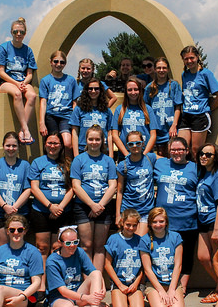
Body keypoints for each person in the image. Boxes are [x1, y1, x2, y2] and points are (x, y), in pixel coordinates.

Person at [28, 132, 75, 297]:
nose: (52, 146)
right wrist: (50, 206)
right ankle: (41, 286)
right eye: (49, 143)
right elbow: (34, 187)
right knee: (42, 248)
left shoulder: (68, 163)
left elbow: (72, 188)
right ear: (45, 144)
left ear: (61, 146)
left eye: (56, 143)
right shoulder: (37, 162)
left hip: (63, 212)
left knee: (57, 248)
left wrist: (59, 207)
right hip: (41, 211)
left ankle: (55, 285)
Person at [153, 137, 198, 292]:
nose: (177, 152)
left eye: (180, 149)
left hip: (187, 219)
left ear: (187, 151)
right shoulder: (160, 163)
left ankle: (182, 286)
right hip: (163, 221)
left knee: (186, 255)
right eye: (173, 149)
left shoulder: (195, 168)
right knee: (164, 253)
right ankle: (163, 283)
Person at [70, 125, 117, 269]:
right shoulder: (79, 160)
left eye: (97, 139)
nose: (94, 142)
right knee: (86, 245)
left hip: (104, 206)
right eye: (91, 139)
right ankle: (88, 278)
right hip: (83, 206)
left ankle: (97, 279)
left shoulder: (108, 160)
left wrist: (99, 206)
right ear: (86, 140)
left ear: (102, 141)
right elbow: (76, 186)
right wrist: (92, 205)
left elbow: (113, 185)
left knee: (99, 246)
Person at [46, 226, 106, 307]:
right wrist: (87, 298)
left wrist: (103, 288)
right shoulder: (52, 262)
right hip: (60, 297)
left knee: (96, 273)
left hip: (78, 292)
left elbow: (95, 273)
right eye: (68, 243)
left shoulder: (79, 252)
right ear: (60, 243)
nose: (72, 245)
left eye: (75, 242)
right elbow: (63, 291)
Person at [177, 45, 218, 161]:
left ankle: (199, 171)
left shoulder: (205, 74)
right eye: (186, 59)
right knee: (181, 147)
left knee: (196, 151)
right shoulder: (185, 75)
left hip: (200, 116)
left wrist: (208, 108)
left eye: (192, 58)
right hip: (186, 115)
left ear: (197, 57)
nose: (189, 61)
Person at [0, 17, 37, 144]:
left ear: (25, 33)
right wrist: (16, 84)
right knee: (17, 94)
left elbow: (30, 74)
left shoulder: (28, 50)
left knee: (32, 95)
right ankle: (26, 130)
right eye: (15, 32)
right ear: (11, 32)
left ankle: (22, 130)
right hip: (6, 82)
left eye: (21, 32)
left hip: (23, 81)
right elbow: (1, 72)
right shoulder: (4, 48)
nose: (18, 34)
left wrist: (23, 83)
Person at [195, 143, 218, 303]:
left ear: (215, 158)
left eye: (209, 154)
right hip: (202, 219)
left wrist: (216, 229)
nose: (204, 156)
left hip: (215, 220)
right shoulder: (203, 173)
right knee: (203, 256)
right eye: (202, 153)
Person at [138, 207, 184, 307]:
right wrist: (161, 291)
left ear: (166, 222)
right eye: (154, 222)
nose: (158, 225)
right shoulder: (144, 240)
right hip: (154, 284)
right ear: (149, 223)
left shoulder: (175, 237)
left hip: (172, 282)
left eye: (161, 221)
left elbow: (178, 266)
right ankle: (153, 300)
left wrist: (172, 289)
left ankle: (167, 302)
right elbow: (147, 269)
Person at [0, 132, 31, 246]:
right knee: (3, 245)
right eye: (8, 145)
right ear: (3, 146)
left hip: (20, 212)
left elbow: (28, 189)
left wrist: (14, 208)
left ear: (19, 147)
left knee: (18, 244)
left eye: (14, 146)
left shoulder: (25, 165)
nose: (11, 148)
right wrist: (5, 207)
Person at [104, 209, 144, 307]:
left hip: (134, 283)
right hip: (119, 282)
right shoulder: (113, 239)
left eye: (134, 225)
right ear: (122, 222)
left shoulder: (140, 240)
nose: (131, 228)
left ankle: (132, 300)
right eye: (128, 225)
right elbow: (107, 264)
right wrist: (120, 285)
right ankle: (122, 299)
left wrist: (136, 283)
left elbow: (143, 267)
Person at [115, 130, 156, 236]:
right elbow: (119, 191)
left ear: (143, 144)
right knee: (129, 240)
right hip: (129, 208)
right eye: (131, 144)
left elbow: (167, 161)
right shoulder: (123, 165)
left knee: (140, 239)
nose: (135, 146)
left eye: (138, 143)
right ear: (127, 146)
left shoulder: (150, 158)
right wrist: (118, 215)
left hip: (146, 209)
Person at [39, 50, 78, 156]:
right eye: (56, 61)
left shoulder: (71, 80)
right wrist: (42, 123)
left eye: (62, 62)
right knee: (53, 144)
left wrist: (75, 120)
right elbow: (43, 102)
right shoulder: (45, 80)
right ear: (51, 62)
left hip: (66, 116)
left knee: (67, 143)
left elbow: (74, 103)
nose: (58, 64)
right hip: (51, 116)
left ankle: (68, 164)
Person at [144, 57, 183, 157]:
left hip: (171, 128)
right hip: (157, 128)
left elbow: (178, 107)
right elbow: (145, 108)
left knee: (173, 153)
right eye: (159, 68)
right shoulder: (149, 87)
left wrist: (174, 125)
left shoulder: (174, 85)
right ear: (155, 69)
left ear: (168, 69)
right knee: (160, 155)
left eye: (164, 68)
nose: (161, 70)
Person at [111, 77, 159, 158]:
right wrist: (126, 154)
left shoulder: (148, 109)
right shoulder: (120, 109)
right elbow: (114, 135)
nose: (133, 92)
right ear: (126, 92)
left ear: (140, 91)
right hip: (125, 154)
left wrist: (144, 154)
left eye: (136, 89)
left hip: (144, 153)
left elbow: (153, 135)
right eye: (130, 90)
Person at [70, 77, 114, 157]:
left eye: (96, 89)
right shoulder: (78, 109)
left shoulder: (107, 110)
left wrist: (111, 155)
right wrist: (76, 156)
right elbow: (74, 133)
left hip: (103, 150)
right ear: (86, 90)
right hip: (83, 150)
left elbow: (110, 134)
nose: (93, 91)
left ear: (101, 91)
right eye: (90, 89)